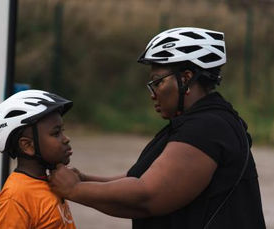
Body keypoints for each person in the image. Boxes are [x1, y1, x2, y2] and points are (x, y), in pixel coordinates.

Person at [49, 27, 266, 229]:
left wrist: (75, 190)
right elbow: (137, 178)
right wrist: (84, 179)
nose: (152, 93)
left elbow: (147, 197)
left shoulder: (207, 128)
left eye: (157, 82)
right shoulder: (195, 122)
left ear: (186, 79)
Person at [0, 89, 76, 229]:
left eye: (62, 131)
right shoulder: (16, 198)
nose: (66, 139)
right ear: (27, 145)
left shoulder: (51, 182)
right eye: (56, 133)